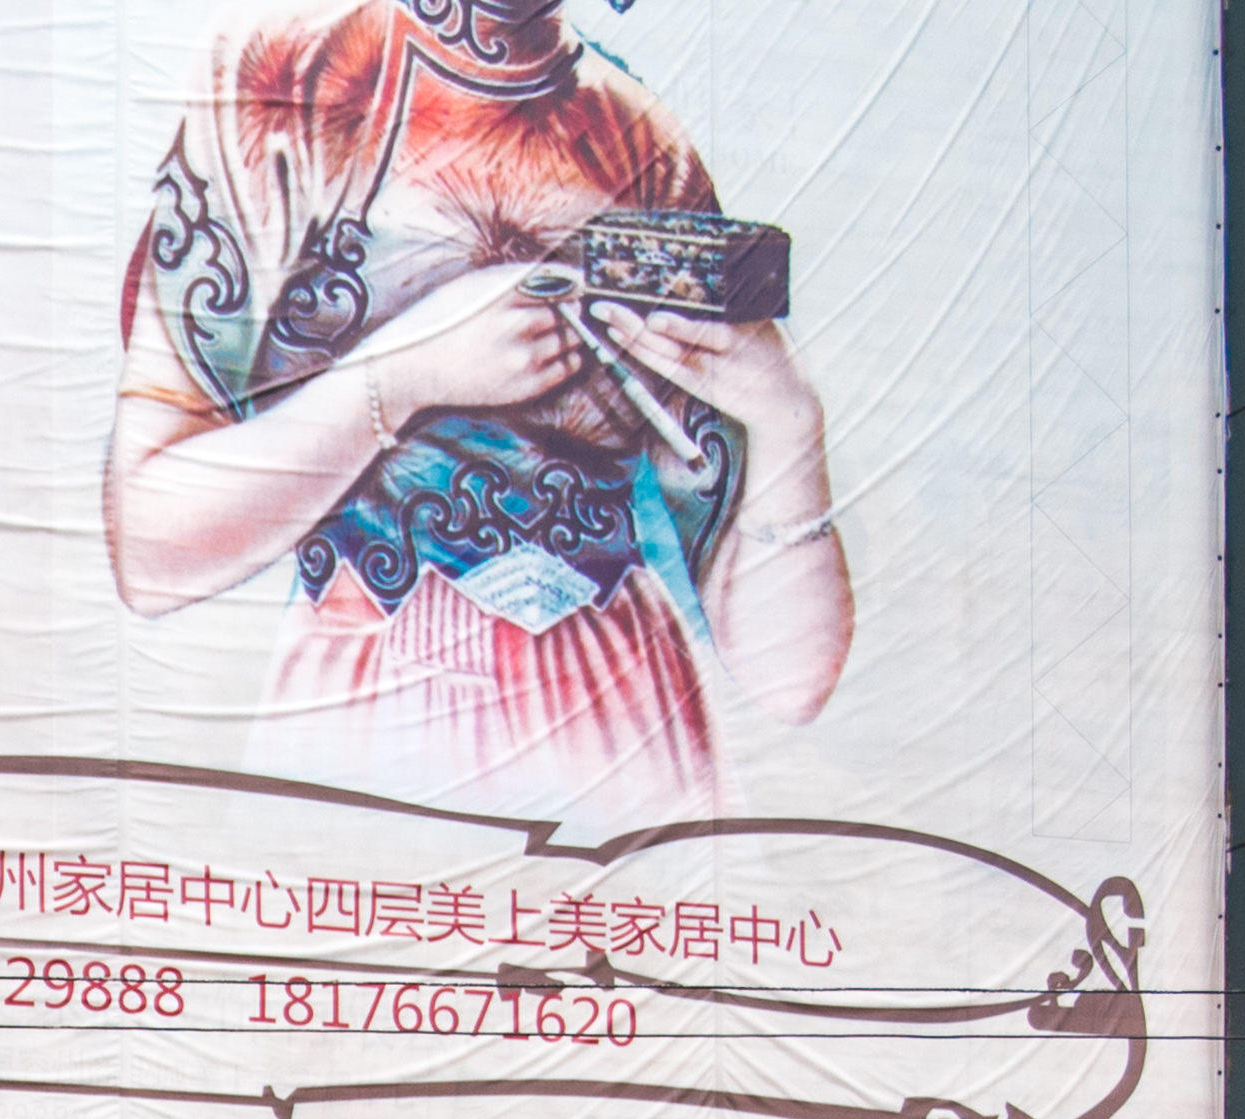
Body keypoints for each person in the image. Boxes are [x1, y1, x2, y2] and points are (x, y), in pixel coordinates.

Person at [104, 0, 847, 826]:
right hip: (369, 722)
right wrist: (402, 377)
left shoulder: (641, 143)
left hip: (629, 737)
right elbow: (150, 551)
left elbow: (791, 683)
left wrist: (789, 426)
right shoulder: (289, 76)